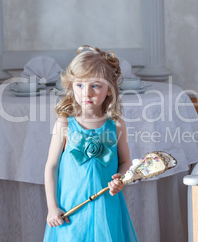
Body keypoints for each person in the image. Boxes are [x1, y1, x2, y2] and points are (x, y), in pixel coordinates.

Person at [43, 45, 138, 241]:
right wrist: (52, 207)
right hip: (71, 207)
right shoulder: (64, 125)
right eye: (80, 85)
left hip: (107, 204)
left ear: (109, 89)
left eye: (95, 85)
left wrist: (120, 178)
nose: (86, 93)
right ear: (71, 86)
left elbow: (126, 162)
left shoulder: (116, 125)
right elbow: (51, 166)